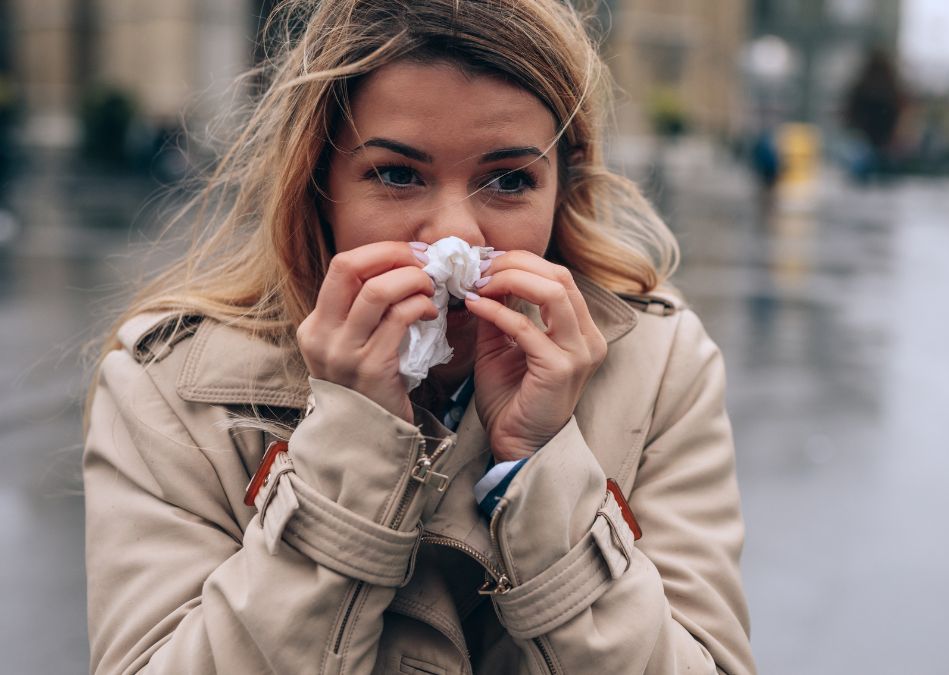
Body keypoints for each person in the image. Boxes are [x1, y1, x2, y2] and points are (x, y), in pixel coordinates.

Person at [83, 1, 754, 674]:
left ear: (560, 186)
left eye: (509, 180)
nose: (454, 235)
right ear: (319, 182)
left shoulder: (662, 367)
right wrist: (353, 445)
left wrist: (540, 470)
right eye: (399, 175)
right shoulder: (170, 387)